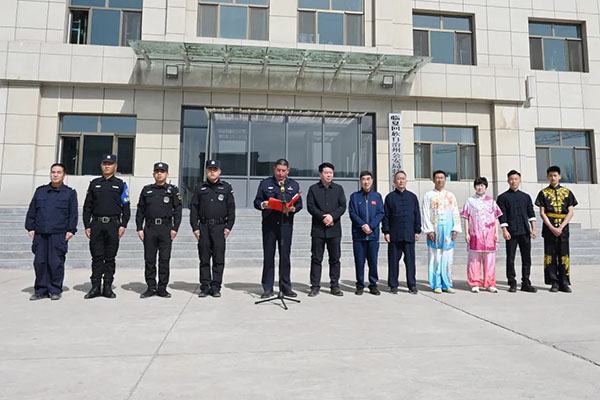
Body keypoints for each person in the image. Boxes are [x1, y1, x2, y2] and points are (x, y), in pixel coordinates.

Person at [25, 163, 78, 301]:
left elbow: (73, 214)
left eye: (59, 172)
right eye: (53, 172)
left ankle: (55, 289)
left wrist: (71, 230)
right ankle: (40, 290)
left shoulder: (70, 193)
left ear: (64, 175)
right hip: (40, 233)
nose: (55, 175)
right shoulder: (40, 191)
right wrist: (30, 227)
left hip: (58, 234)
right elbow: (32, 210)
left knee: (56, 263)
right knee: (40, 262)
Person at [82, 154, 130, 299]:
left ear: (115, 166)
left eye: (110, 164)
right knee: (96, 257)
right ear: (101, 166)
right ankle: (95, 287)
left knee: (110, 258)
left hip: (113, 225)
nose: (107, 166)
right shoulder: (94, 184)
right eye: (105, 163)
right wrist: (87, 225)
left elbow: (126, 207)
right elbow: (87, 206)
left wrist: (123, 225)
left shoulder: (120, 184)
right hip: (96, 224)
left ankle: (108, 287)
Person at [253, 159, 302, 299]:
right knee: (269, 256)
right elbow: (256, 202)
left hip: (286, 224)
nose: (280, 173)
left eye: (283, 171)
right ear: (274, 169)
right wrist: (264, 204)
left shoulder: (293, 185)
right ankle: (267, 288)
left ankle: (285, 287)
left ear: (288, 171)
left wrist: (293, 208)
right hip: (269, 224)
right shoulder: (265, 183)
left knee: (285, 257)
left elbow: (299, 204)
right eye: (278, 170)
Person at [135, 162, 182, 299]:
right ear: (153, 174)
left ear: (167, 174)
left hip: (165, 228)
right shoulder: (147, 190)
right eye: (157, 171)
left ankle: (162, 288)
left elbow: (178, 210)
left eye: (162, 171)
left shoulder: (172, 190)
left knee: (164, 260)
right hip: (150, 228)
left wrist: (175, 228)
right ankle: (151, 287)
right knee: (149, 260)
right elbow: (140, 210)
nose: (159, 174)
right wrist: (139, 228)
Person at [190, 160, 236, 298]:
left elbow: (231, 209)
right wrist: (195, 228)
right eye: (210, 169)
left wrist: (228, 227)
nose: (212, 172)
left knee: (218, 259)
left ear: (219, 172)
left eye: (215, 169)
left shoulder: (226, 188)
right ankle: (205, 286)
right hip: (203, 227)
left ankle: (216, 287)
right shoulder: (199, 188)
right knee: (204, 259)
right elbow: (193, 209)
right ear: (206, 171)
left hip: (219, 227)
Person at [306, 162, 346, 297]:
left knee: (335, 259)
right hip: (318, 229)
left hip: (334, 230)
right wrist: (323, 217)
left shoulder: (339, 189)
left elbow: (342, 206)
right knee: (316, 259)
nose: (329, 175)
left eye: (331, 173)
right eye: (326, 172)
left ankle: (335, 286)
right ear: (320, 174)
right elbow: (311, 207)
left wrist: (332, 217)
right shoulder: (313, 189)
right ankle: (315, 286)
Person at [535, 166, 577, 293]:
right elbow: (542, 213)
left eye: (555, 175)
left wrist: (561, 227)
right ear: (547, 177)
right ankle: (553, 282)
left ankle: (564, 282)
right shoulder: (543, 193)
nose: (553, 178)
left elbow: (571, 211)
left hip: (563, 227)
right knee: (550, 254)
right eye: (550, 176)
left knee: (564, 254)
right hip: (549, 227)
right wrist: (552, 227)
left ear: (559, 176)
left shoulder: (567, 192)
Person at [496, 170, 538, 293]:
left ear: (519, 180)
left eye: (516, 179)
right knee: (510, 258)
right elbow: (502, 216)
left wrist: (533, 229)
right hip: (511, 232)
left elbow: (531, 213)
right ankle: (512, 282)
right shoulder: (503, 197)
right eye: (511, 179)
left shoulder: (526, 197)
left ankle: (526, 282)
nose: (513, 181)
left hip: (525, 231)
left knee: (526, 258)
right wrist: (504, 230)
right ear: (508, 181)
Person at [421, 170, 461, 294]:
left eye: (442, 177)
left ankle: (447, 284)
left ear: (445, 179)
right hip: (435, 232)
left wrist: (455, 229)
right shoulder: (428, 195)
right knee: (435, 258)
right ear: (433, 180)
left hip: (448, 232)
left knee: (448, 258)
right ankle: (436, 284)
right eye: (437, 178)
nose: (440, 180)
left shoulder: (451, 196)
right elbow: (425, 213)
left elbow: (455, 212)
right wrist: (429, 230)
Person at [460, 177, 502, 293]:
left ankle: (490, 283)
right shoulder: (470, 201)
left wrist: (496, 233)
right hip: (475, 236)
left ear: (486, 187)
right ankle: (475, 283)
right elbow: (466, 218)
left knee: (490, 261)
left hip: (489, 236)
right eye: (478, 185)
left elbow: (496, 218)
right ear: (475, 187)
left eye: (482, 185)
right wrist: (467, 233)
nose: (480, 187)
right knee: (474, 260)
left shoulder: (492, 201)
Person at [382, 170, 421, 295]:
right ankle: (393, 285)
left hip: (409, 234)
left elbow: (417, 214)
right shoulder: (390, 197)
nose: (401, 181)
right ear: (394, 181)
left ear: (406, 181)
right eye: (398, 179)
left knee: (410, 261)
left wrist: (417, 230)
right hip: (394, 234)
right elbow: (386, 216)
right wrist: (386, 232)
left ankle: (412, 285)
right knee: (393, 261)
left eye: (403, 178)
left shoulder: (412, 197)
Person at [348, 171, 384, 295]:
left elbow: (380, 213)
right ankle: (360, 285)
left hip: (373, 235)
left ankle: (373, 284)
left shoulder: (377, 196)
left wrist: (371, 226)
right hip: (359, 235)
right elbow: (352, 213)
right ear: (360, 181)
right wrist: (363, 225)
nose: (366, 182)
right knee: (359, 261)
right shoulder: (354, 196)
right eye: (363, 179)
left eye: (368, 179)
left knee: (373, 261)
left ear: (372, 181)